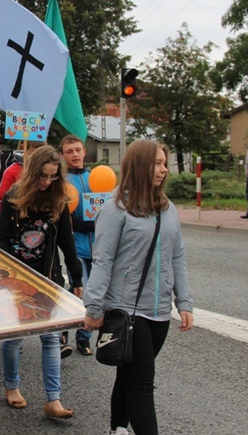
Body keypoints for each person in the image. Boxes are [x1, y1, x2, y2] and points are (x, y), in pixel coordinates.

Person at [83, 139, 193, 435]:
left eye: (164, 163)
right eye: (157, 163)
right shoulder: (116, 209)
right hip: (127, 309)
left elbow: (177, 256)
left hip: (159, 311)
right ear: (140, 165)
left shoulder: (167, 208)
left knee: (128, 372)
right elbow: (102, 260)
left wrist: (184, 302)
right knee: (142, 382)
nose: (164, 170)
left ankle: (118, 427)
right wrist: (94, 307)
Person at [0, 145, 82, 420]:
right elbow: (1, 240)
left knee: (50, 338)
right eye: (43, 176)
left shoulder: (58, 200)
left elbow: (67, 242)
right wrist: (3, 275)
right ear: (33, 173)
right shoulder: (14, 197)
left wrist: (77, 278)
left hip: (48, 278)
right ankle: (12, 386)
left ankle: (53, 399)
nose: (47, 182)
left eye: (53, 177)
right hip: (18, 279)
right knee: (14, 337)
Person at [60, 134, 95, 356]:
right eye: (69, 151)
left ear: (84, 151)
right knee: (79, 288)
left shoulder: (97, 176)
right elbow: (59, 208)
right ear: (63, 155)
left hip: (99, 245)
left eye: (77, 150)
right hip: (76, 246)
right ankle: (64, 328)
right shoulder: (62, 181)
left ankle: (84, 336)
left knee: (93, 292)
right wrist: (75, 222)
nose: (74, 154)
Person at [0, 141, 44, 216]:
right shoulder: (11, 172)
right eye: (31, 155)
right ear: (24, 149)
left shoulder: (48, 172)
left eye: (39, 157)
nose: (35, 161)